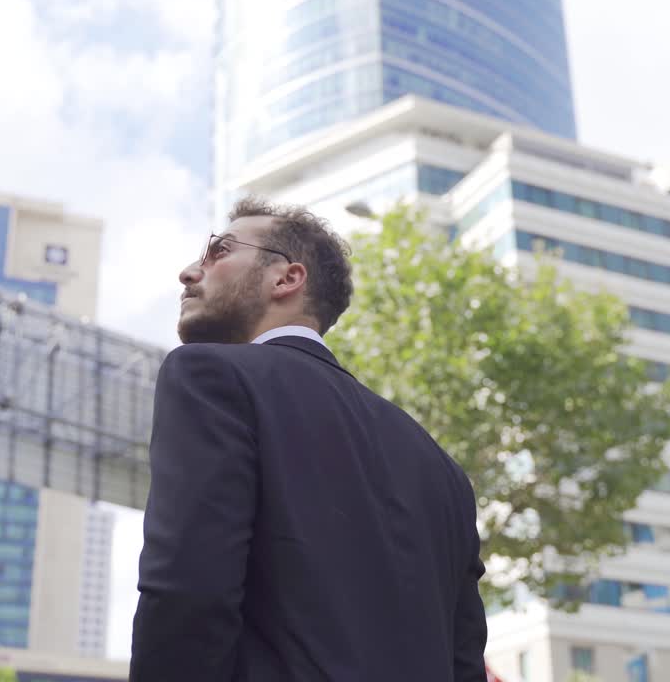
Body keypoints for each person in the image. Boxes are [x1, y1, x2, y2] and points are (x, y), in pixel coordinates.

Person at [130, 198, 488, 681]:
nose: (190, 272)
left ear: (287, 278)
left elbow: (188, 587)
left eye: (220, 251)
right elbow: (464, 662)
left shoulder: (208, 377)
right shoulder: (442, 469)